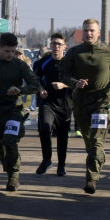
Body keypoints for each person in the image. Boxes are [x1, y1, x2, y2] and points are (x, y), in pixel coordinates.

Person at [59, 19, 110, 194]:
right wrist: (74, 82)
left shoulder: (109, 51)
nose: (88, 33)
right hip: (81, 102)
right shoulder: (74, 53)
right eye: (86, 30)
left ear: (98, 33)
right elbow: (63, 74)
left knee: (96, 142)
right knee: (90, 142)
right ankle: (98, 158)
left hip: (102, 101)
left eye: (91, 31)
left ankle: (91, 179)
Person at [0, 33, 38, 191]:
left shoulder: (20, 65)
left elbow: (35, 85)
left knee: (10, 141)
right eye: (7, 51)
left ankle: (13, 175)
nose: (10, 54)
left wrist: (20, 90)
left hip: (14, 110)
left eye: (13, 51)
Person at [33, 33, 72, 176]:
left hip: (65, 104)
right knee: (44, 128)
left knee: (62, 136)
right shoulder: (44, 61)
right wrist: (41, 89)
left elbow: (77, 82)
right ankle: (46, 160)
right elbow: (35, 79)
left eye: (59, 44)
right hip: (47, 102)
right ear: (50, 45)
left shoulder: (69, 62)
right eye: (54, 44)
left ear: (64, 46)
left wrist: (64, 85)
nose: (56, 47)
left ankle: (61, 165)